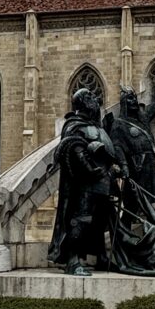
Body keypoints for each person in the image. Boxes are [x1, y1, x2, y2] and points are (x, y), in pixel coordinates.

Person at [48, 87, 121, 276]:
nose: (94, 98)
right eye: (89, 96)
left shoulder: (98, 127)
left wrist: (114, 168)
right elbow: (72, 147)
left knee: (100, 221)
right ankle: (72, 260)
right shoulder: (74, 124)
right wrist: (88, 166)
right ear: (81, 103)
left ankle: (101, 257)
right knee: (81, 219)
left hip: (103, 182)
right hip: (85, 183)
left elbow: (109, 153)